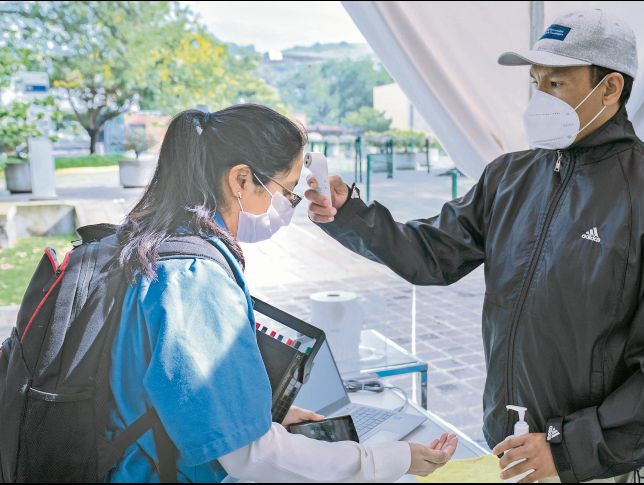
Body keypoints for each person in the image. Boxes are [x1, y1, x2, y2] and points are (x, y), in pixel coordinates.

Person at [306, 9, 644, 484]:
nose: (540, 98)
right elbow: (432, 254)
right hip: (509, 451)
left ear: (610, 89)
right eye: (535, 82)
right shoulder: (509, 177)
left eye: (556, 84)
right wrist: (351, 214)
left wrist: (565, 449)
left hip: (591, 468)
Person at [107, 104, 457, 483]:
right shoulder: (196, 281)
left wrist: (252, 413)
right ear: (241, 180)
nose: (287, 207)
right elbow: (253, 456)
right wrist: (392, 459)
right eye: (286, 191)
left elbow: (170, 390)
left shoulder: (152, 242)